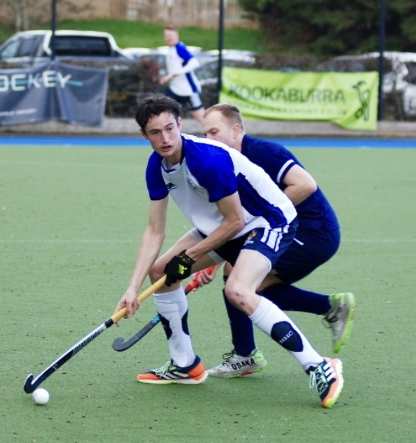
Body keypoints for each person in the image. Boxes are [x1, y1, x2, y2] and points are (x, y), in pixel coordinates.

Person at [116, 94, 343, 408]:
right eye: (155, 132)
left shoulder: (207, 160)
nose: (165, 138)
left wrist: (192, 256)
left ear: (181, 124)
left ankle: (320, 366)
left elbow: (236, 220)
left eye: (170, 128)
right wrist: (132, 288)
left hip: (266, 220)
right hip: (221, 224)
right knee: (160, 272)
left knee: (238, 289)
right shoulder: (156, 167)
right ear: (144, 135)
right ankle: (185, 365)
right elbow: (155, 230)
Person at [199, 103, 354, 379]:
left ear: (235, 130)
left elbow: (305, 185)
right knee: (240, 284)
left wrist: (262, 217)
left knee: (239, 282)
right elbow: (236, 221)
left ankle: (247, 355)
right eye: (204, 134)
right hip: (283, 230)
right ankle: (326, 308)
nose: (209, 140)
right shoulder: (225, 162)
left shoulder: (262, 152)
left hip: (313, 233)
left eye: (214, 132)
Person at [159, 26, 205, 124]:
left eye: (171, 35)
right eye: (167, 35)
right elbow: (174, 69)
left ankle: (213, 134)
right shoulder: (170, 49)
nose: (169, 38)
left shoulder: (180, 48)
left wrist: (180, 72)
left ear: (177, 36)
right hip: (174, 90)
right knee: (164, 109)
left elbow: (194, 62)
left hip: (187, 90)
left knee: (200, 117)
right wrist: (166, 78)